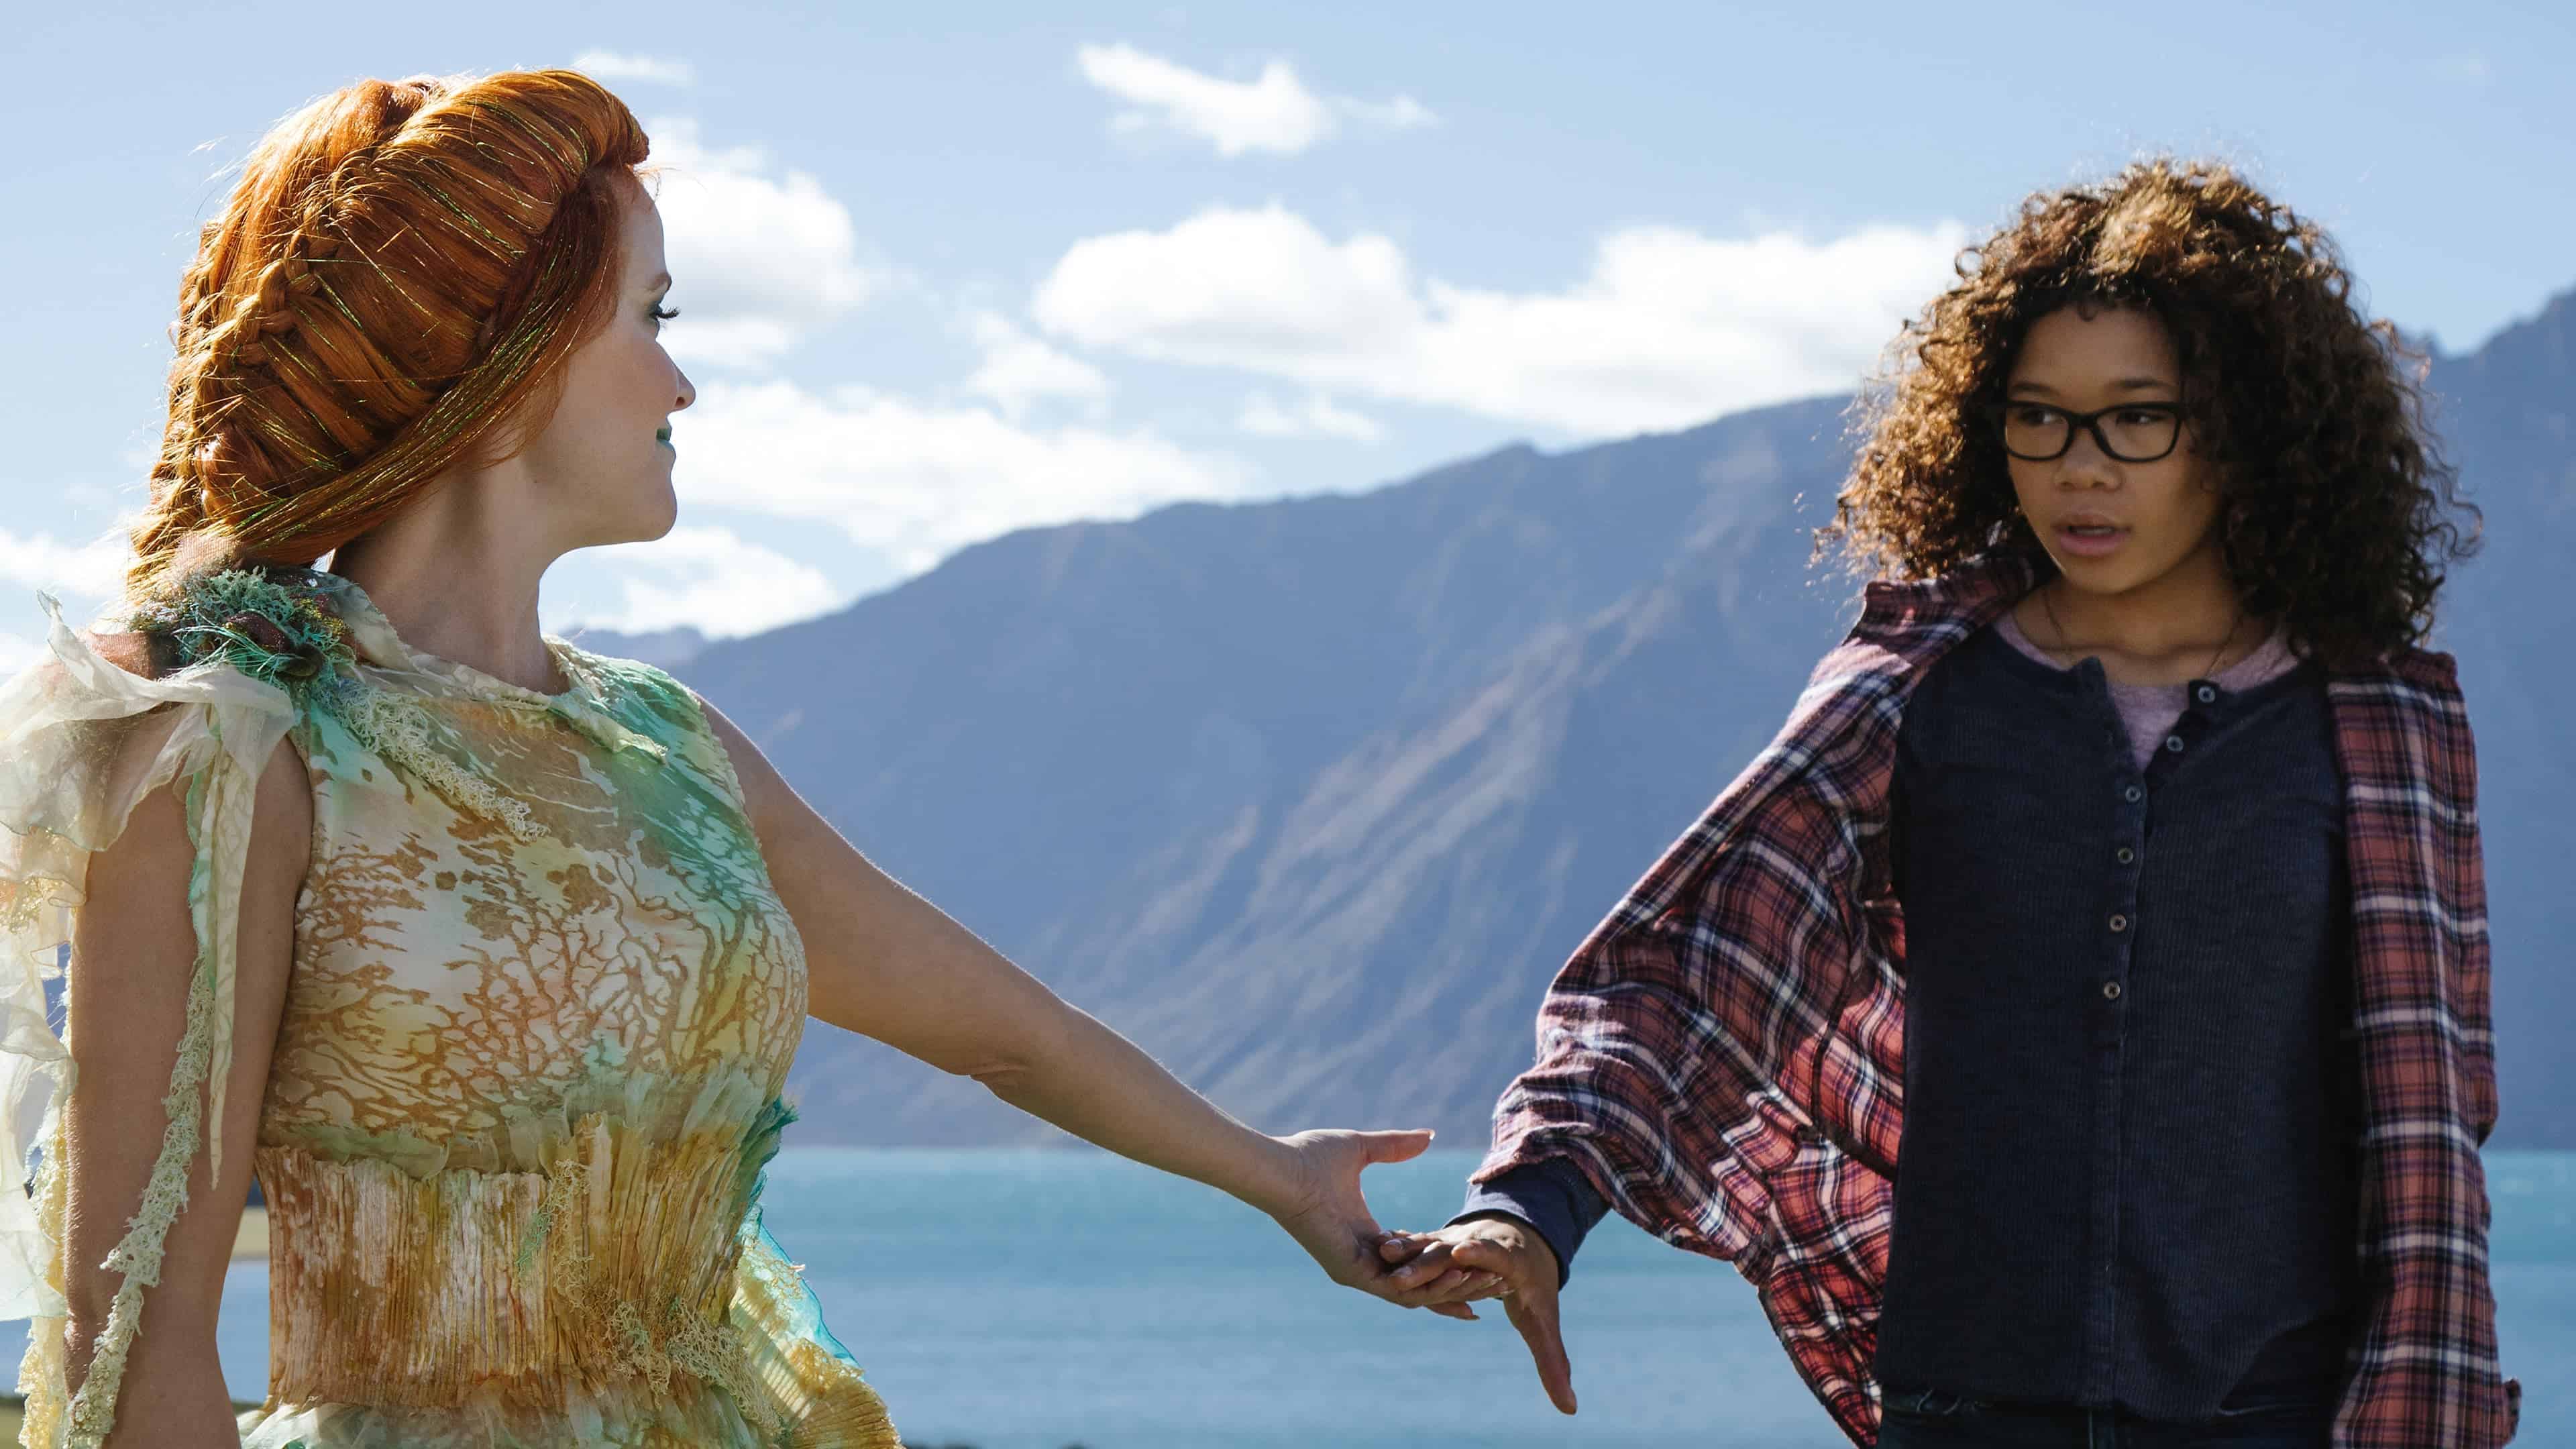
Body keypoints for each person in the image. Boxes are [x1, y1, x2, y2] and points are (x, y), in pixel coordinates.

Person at [0, 69, 1428, 1449]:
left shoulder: (665, 746)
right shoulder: (234, 743)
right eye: (651, 315)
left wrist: (1279, 1177)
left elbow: (1008, 1036)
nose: (681, 382)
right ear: (506, 361)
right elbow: (136, 1332)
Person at [1370, 159, 2518, 1448]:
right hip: (1963, 1411)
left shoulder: (2380, 728)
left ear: (2246, 431)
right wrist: (1528, 1209)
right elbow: (1694, 970)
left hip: (2274, 1417)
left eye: (2137, 418)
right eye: (2040, 418)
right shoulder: (1918, 694)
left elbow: (2430, 1110)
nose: (2080, 469)